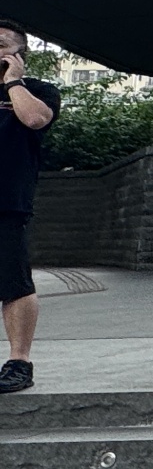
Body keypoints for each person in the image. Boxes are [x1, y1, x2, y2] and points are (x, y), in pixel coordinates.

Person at [0, 20, 58, 395]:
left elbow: (35, 119)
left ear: (19, 53)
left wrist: (13, 83)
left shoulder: (38, 91)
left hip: (7, 202)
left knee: (14, 283)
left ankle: (19, 363)